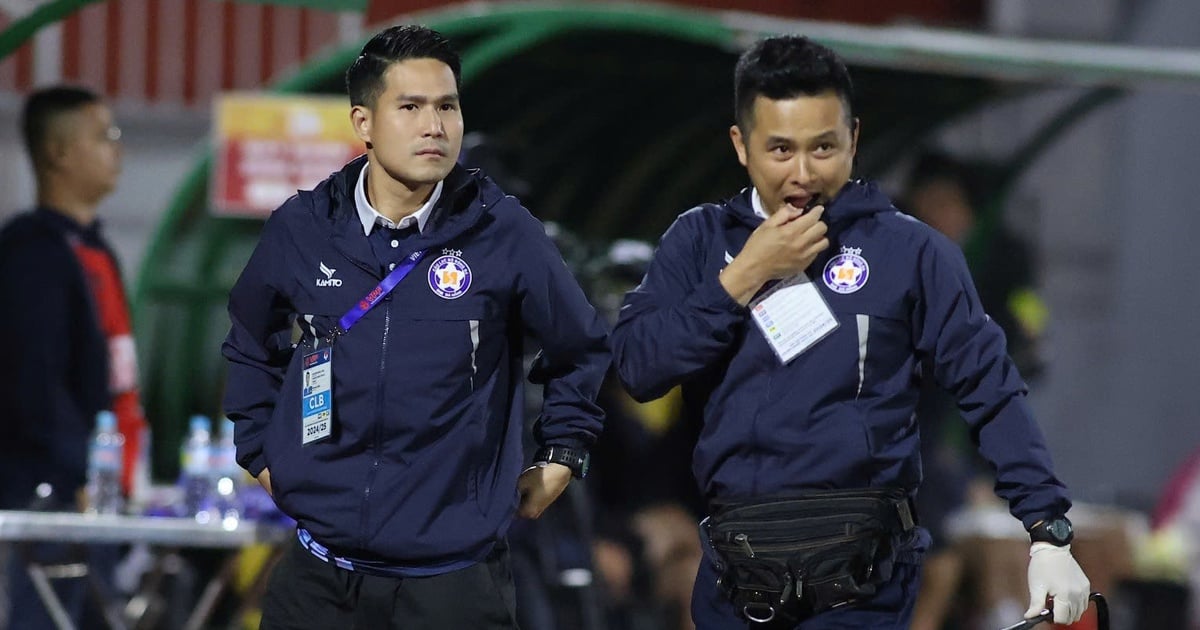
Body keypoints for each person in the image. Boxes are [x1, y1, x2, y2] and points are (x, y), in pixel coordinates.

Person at [609, 35, 1091, 629]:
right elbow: (638, 367)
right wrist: (744, 277)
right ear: (741, 145)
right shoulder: (699, 242)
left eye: (824, 148)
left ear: (854, 139)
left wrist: (1049, 533)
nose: (804, 173)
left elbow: (990, 387)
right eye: (780, 150)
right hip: (738, 572)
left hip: (864, 579)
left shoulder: (911, 252)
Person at [221, 24, 609, 629]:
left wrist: (562, 453)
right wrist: (262, 452)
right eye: (411, 107)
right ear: (364, 124)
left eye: (447, 106)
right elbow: (250, 341)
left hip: (452, 585)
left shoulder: (504, 233)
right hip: (320, 577)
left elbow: (580, 347)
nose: (435, 125)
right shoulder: (302, 227)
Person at [0, 85, 143, 628]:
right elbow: (32, 384)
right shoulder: (31, 253)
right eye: (104, 136)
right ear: (59, 153)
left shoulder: (96, 249)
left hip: (101, 492)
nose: (117, 150)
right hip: (55, 497)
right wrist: (78, 471)